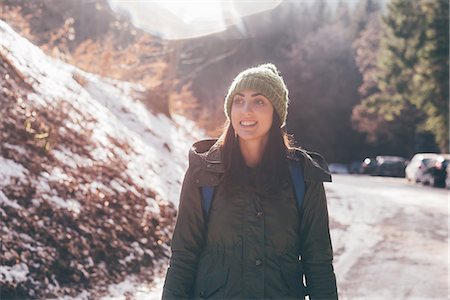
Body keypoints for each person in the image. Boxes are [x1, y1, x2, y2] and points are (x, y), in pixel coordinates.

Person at [162, 63, 338, 299]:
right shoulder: (204, 172)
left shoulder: (303, 177)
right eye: (238, 100)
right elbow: (183, 256)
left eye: (259, 101)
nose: (246, 110)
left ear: (276, 112)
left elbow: (319, 263)